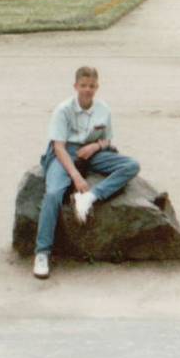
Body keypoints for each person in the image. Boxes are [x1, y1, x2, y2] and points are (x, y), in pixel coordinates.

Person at [33, 65, 140, 280]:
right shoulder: (63, 109)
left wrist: (96, 147)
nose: (87, 90)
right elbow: (58, 147)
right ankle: (42, 253)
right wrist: (76, 177)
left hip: (91, 151)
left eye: (92, 86)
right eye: (83, 85)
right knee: (54, 193)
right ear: (76, 86)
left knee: (131, 165)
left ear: (97, 87)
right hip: (65, 153)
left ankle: (90, 197)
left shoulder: (103, 109)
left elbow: (108, 139)